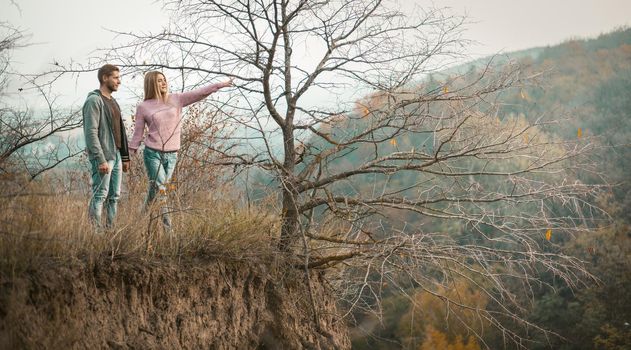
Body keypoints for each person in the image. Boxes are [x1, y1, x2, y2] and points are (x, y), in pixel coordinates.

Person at [129, 71, 233, 229]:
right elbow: (138, 132)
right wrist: (131, 151)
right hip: (152, 154)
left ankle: (138, 223)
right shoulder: (144, 107)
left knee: (154, 191)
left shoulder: (176, 99)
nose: (163, 83)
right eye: (159, 81)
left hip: (172, 155)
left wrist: (220, 85)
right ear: (151, 84)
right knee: (162, 190)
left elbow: (199, 93)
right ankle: (168, 230)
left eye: (164, 80)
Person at [83, 64, 130, 229]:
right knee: (100, 195)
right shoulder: (94, 101)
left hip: (116, 155)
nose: (119, 81)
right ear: (105, 78)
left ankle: (111, 233)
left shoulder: (112, 101)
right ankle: (95, 234)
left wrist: (125, 157)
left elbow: (121, 130)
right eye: (116, 77)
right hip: (104, 157)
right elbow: (90, 133)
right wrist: (100, 159)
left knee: (114, 196)